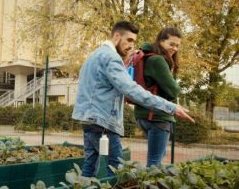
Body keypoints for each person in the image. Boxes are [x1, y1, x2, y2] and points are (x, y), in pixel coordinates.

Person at [72, 21, 194, 177]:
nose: (131, 45)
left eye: (134, 41)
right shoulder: (112, 58)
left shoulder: (93, 55)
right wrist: (170, 107)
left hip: (87, 119)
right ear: (117, 36)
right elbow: (133, 90)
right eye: (129, 40)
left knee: (89, 167)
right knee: (116, 171)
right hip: (104, 123)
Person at [134, 27, 189, 167]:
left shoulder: (148, 56)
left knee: (159, 154)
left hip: (144, 114)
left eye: (177, 46)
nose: (175, 48)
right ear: (160, 41)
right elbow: (173, 91)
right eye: (171, 44)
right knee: (154, 163)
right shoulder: (158, 60)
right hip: (158, 116)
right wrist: (174, 83)